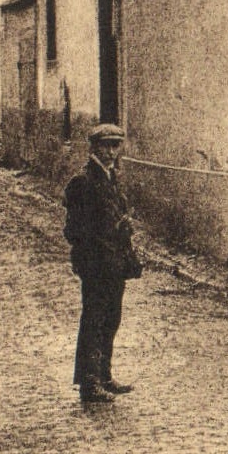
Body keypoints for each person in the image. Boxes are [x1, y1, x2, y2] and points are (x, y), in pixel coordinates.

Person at [64, 123, 143, 405]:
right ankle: (89, 383)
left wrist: (124, 229)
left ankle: (105, 375)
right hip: (96, 263)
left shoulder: (113, 178)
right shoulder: (83, 182)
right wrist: (96, 248)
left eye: (116, 146)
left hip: (115, 262)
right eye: (106, 146)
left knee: (111, 319)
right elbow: (74, 229)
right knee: (94, 321)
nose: (111, 152)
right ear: (94, 147)